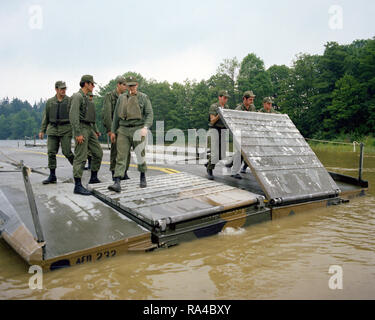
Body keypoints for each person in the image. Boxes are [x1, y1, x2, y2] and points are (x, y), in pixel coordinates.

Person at [108, 76, 153, 192]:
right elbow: (116, 118)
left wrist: (145, 127)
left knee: (140, 154)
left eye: (133, 85)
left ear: (137, 85)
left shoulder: (143, 98)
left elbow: (149, 114)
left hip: (138, 129)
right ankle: (117, 181)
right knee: (121, 156)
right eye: (129, 85)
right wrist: (113, 131)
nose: (132, 87)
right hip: (123, 129)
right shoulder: (121, 98)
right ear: (127, 86)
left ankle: (142, 176)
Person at [69, 75, 103, 195]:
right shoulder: (77, 97)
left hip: (89, 128)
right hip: (81, 128)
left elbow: (90, 117)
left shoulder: (86, 98)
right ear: (86, 84)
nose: (93, 86)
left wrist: (95, 129)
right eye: (92, 84)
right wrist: (77, 133)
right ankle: (77, 185)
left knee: (98, 153)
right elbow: (73, 116)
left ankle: (93, 177)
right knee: (80, 157)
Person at [39, 81, 74, 184]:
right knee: (51, 152)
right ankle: (52, 175)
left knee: (67, 151)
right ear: (56, 89)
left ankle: (77, 168)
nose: (63, 90)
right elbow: (46, 117)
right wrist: (42, 130)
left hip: (66, 129)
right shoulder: (50, 102)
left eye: (65, 89)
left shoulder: (70, 101)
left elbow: (74, 116)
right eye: (61, 89)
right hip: (52, 129)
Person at [102, 75, 129, 180]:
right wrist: (110, 129)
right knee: (114, 152)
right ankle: (114, 172)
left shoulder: (127, 96)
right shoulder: (110, 96)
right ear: (118, 84)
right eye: (124, 85)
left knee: (126, 151)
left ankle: (124, 172)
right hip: (115, 127)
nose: (125, 87)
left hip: (125, 128)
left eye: (126, 85)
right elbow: (107, 114)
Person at [232, 91, 258, 178]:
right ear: (244, 99)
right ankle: (234, 172)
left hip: (249, 134)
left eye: (252, 99)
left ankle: (241, 166)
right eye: (250, 99)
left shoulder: (252, 107)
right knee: (239, 152)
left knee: (247, 152)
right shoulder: (238, 109)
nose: (252, 101)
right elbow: (234, 123)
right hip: (239, 133)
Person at [206, 90, 230, 180]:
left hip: (223, 130)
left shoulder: (226, 106)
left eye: (227, 98)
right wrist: (220, 114)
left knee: (222, 155)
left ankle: (209, 162)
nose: (226, 99)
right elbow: (212, 121)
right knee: (215, 154)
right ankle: (209, 170)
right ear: (219, 97)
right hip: (214, 129)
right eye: (224, 97)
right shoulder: (214, 106)